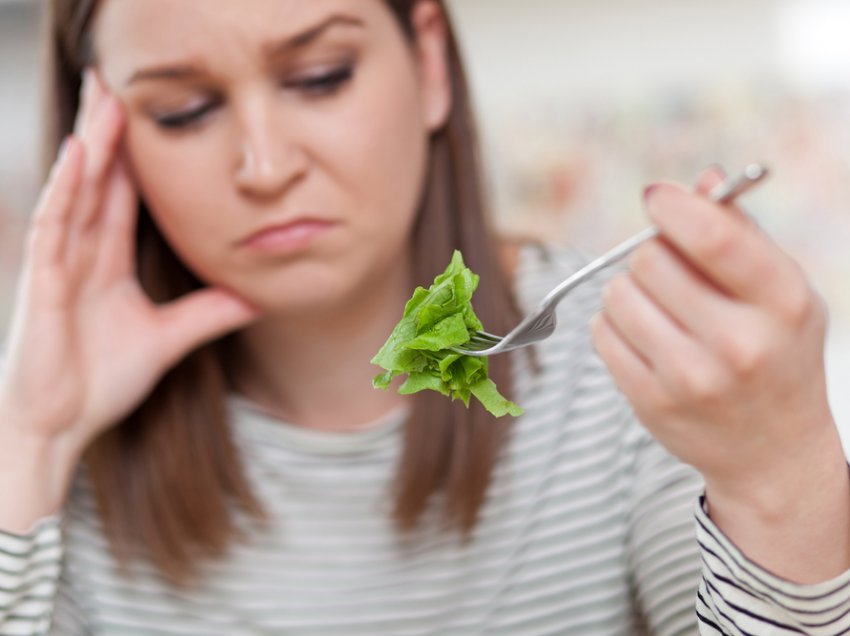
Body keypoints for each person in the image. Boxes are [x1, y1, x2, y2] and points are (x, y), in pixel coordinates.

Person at [1, 0, 848, 634]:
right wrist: (29, 441)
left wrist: (783, 477)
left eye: (319, 76)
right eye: (182, 109)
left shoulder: (632, 360)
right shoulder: (60, 444)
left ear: (430, 63)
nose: (264, 165)